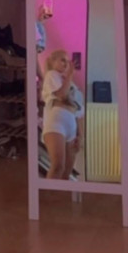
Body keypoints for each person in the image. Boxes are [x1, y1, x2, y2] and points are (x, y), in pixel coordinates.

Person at [41, 49, 85, 180]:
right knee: (57, 167)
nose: (66, 63)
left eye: (67, 60)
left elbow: (79, 112)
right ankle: (48, 193)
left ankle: (59, 194)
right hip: (57, 121)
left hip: (71, 125)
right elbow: (62, 95)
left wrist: (80, 135)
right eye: (62, 60)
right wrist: (70, 75)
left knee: (66, 172)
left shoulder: (70, 83)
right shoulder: (51, 75)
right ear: (52, 61)